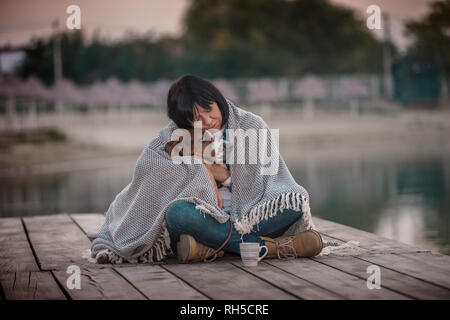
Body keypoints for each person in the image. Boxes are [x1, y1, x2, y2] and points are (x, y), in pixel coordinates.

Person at [164, 75, 323, 263]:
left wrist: (220, 173)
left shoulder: (252, 125)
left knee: (297, 199)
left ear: (217, 99)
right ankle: (273, 247)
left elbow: (270, 180)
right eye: (197, 118)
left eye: (209, 110)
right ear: (185, 120)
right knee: (176, 213)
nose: (208, 120)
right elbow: (158, 177)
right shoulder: (173, 136)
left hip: (251, 218)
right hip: (204, 219)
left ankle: (212, 246)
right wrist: (202, 167)